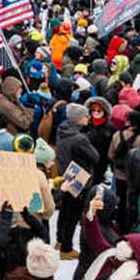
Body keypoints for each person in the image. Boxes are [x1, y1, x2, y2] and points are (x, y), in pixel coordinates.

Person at [54, 103, 99, 260]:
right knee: (72, 215)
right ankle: (66, 249)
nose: (89, 118)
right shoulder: (79, 138)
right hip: (79, 179)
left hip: (65, 174)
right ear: (79, 118)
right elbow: (95, 157)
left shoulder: (62, 129)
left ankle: (59, 240)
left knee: (64, 211)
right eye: (86, 115)